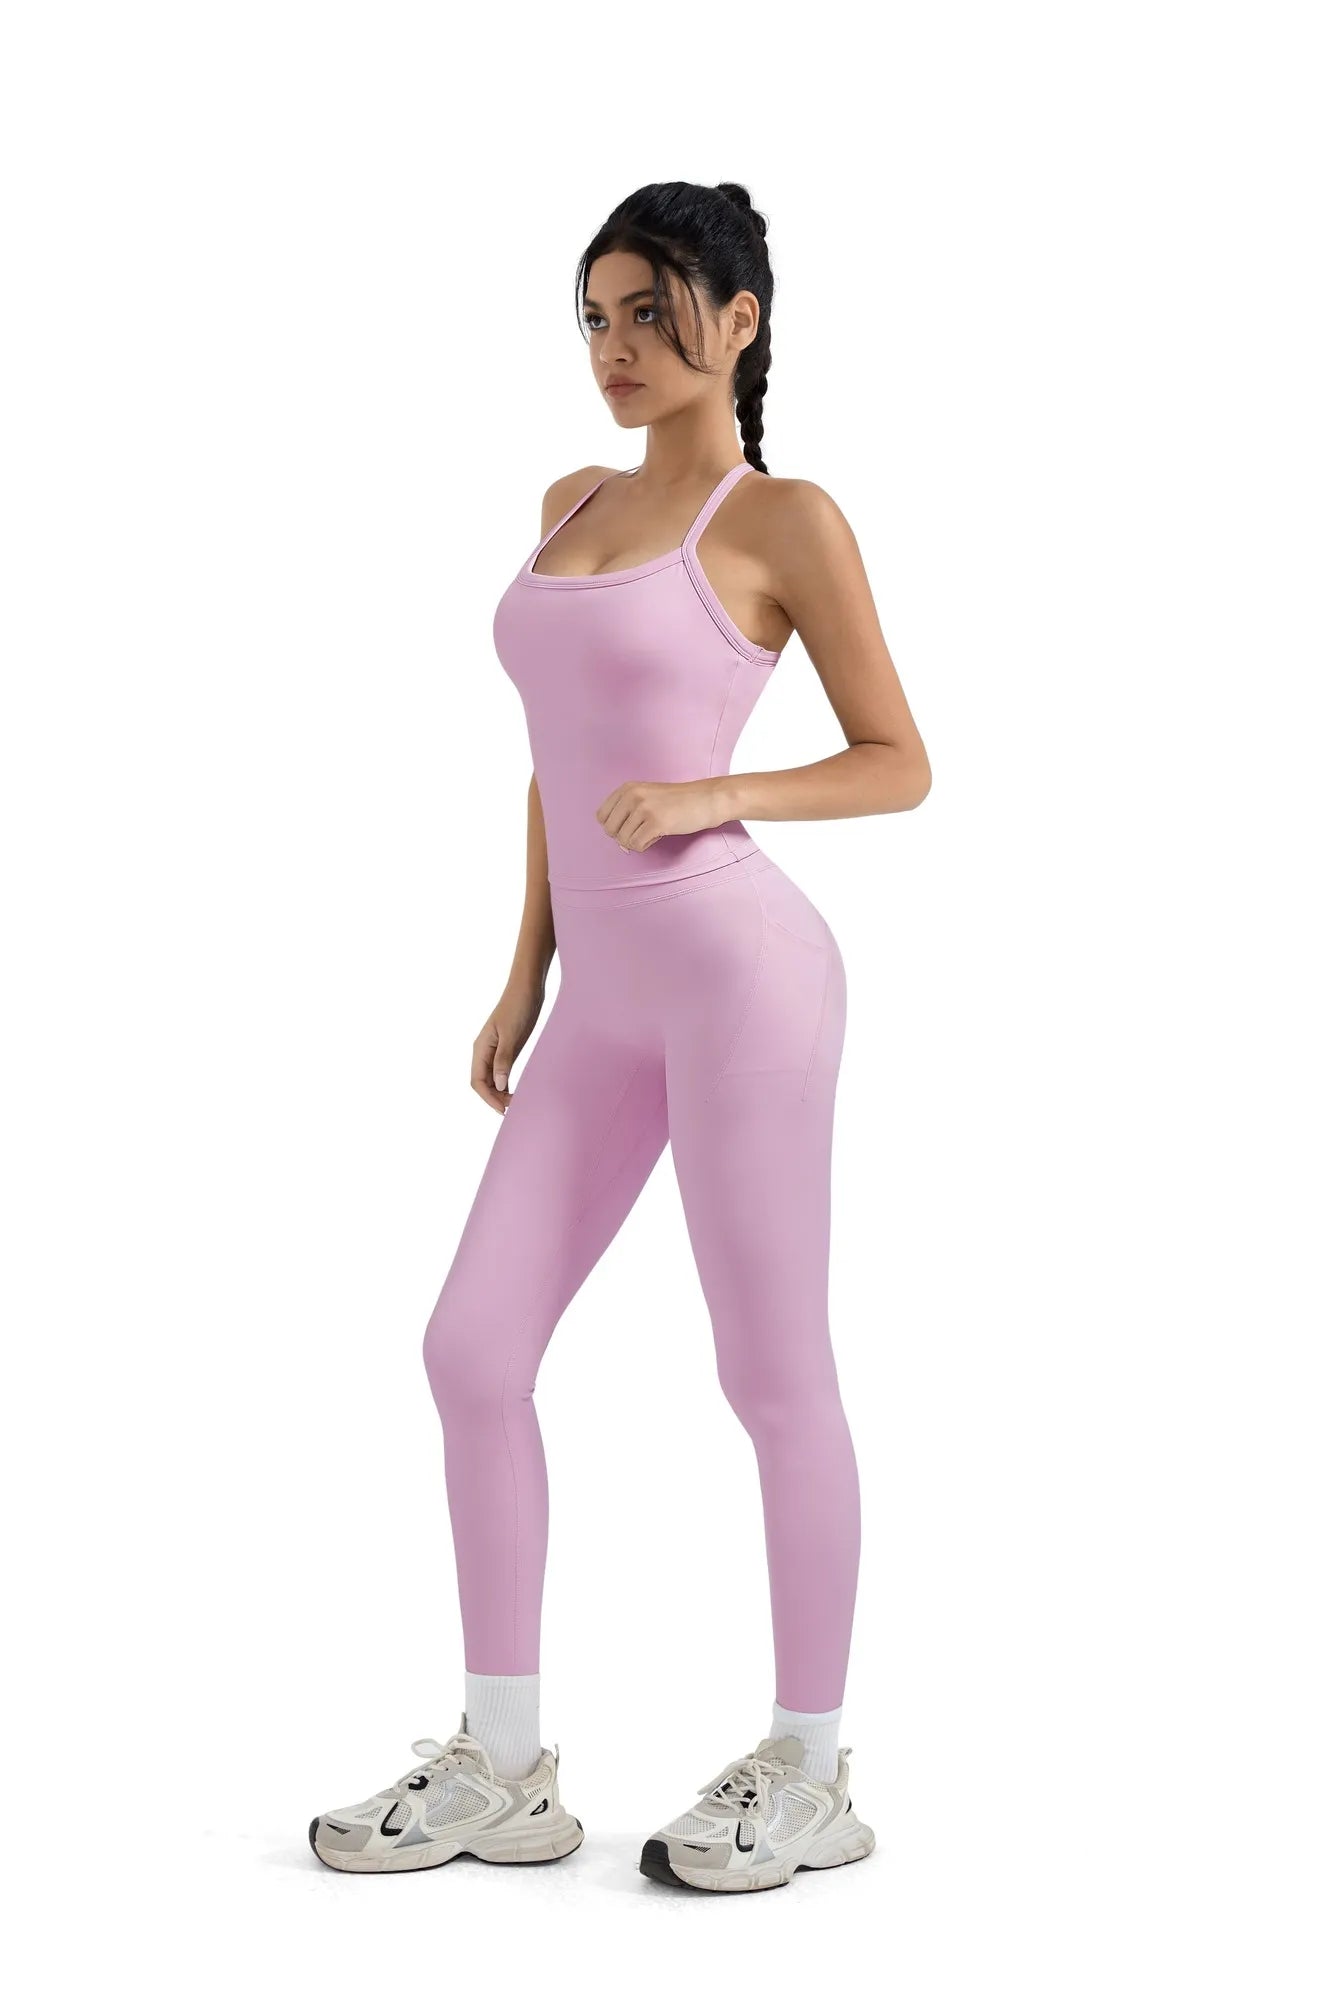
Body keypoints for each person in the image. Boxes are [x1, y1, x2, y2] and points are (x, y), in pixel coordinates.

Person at [310, 180, 931, 1893]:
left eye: (652, 312)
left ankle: (808, 1767)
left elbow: (897, 759)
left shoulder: (780, 516)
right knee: (469, 1350)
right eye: (594, 317)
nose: (616, 347)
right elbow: (557, 757)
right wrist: (523, 966)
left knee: (769, 1372)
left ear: (738, 319)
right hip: (600, 994)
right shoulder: (568, 504)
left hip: (744, 980)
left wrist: (716, 793)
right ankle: (504, 1765)